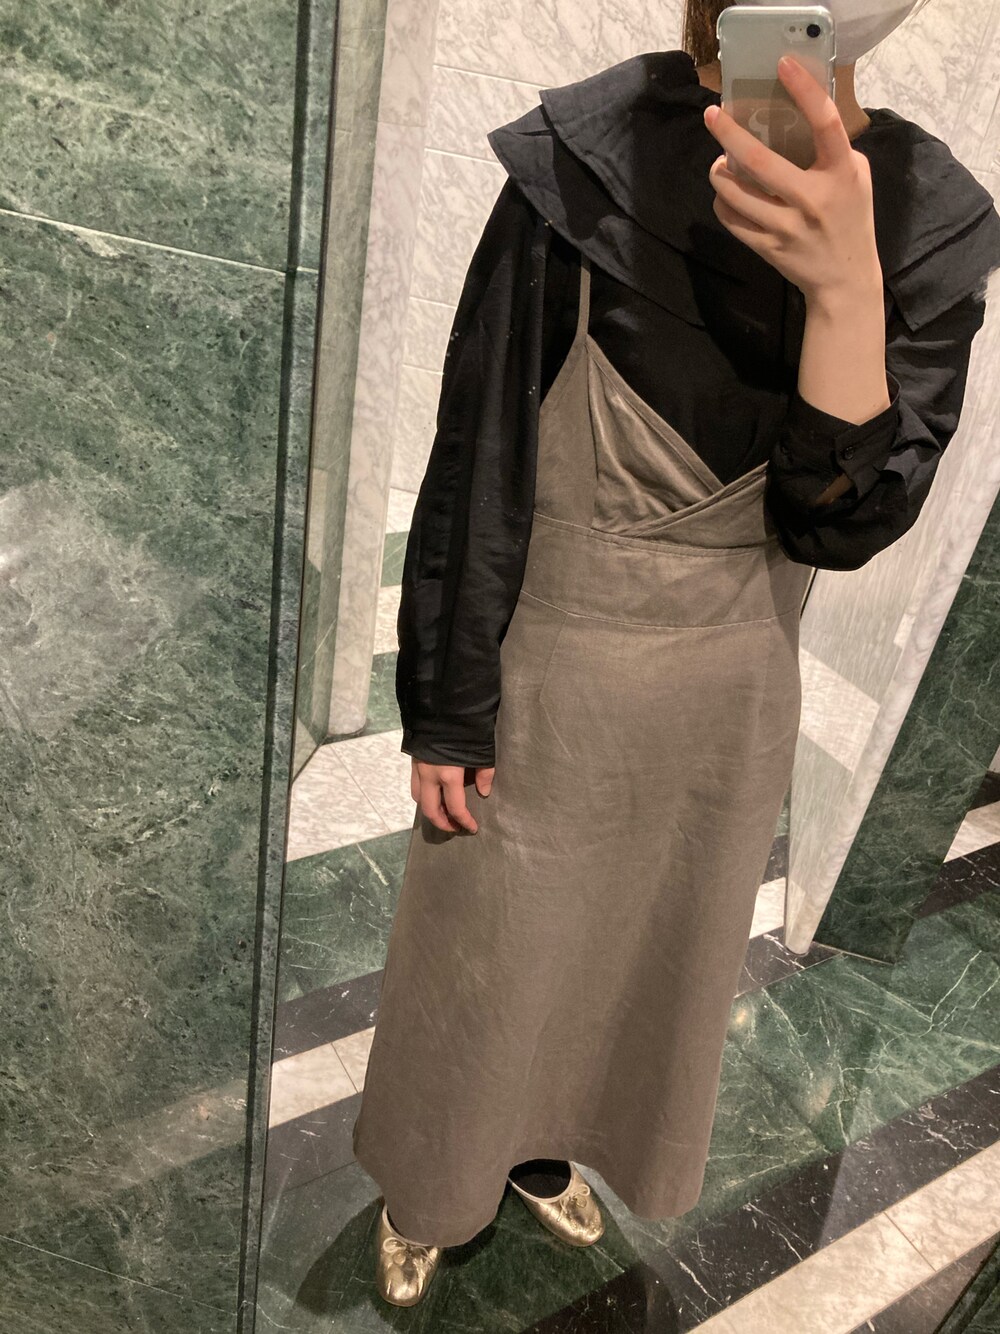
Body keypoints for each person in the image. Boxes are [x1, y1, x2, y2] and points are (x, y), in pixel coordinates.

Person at [351, 0, 1000, 1307]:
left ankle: (541, 1147)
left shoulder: (923, 223)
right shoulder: (590, 163)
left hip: (729, 691)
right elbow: (482, 450)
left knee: (635, 969)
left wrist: (846, 294)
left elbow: (840, 526)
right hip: (547, 679)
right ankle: (432, 1183)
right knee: (485, 960)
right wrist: (448, 704)